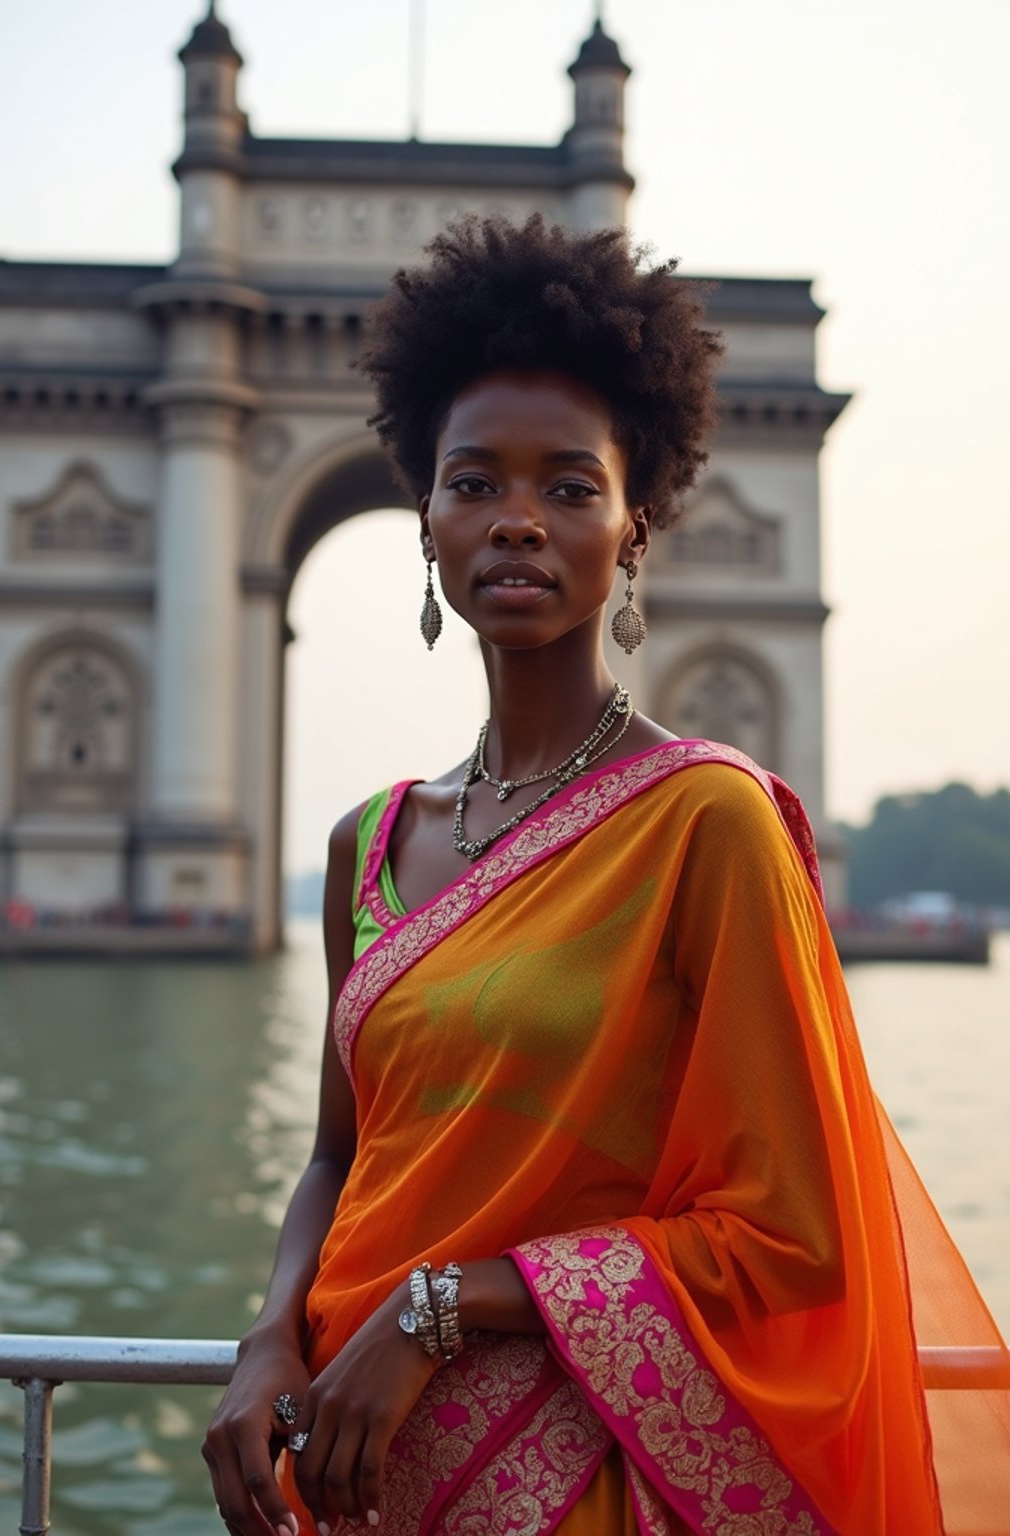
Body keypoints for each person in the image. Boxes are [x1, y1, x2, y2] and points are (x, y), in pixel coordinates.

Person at [203, 216, 1009, 1536]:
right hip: (341, 1471)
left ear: (637, 530)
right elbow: (337, 1161)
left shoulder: (708, 824)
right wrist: (268, 1337)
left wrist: (439, 1307)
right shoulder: (369, 843)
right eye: (477, 483)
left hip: (561, 1484)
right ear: (427, 519)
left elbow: (792, 1234)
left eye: (571, 488)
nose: (519, 519)